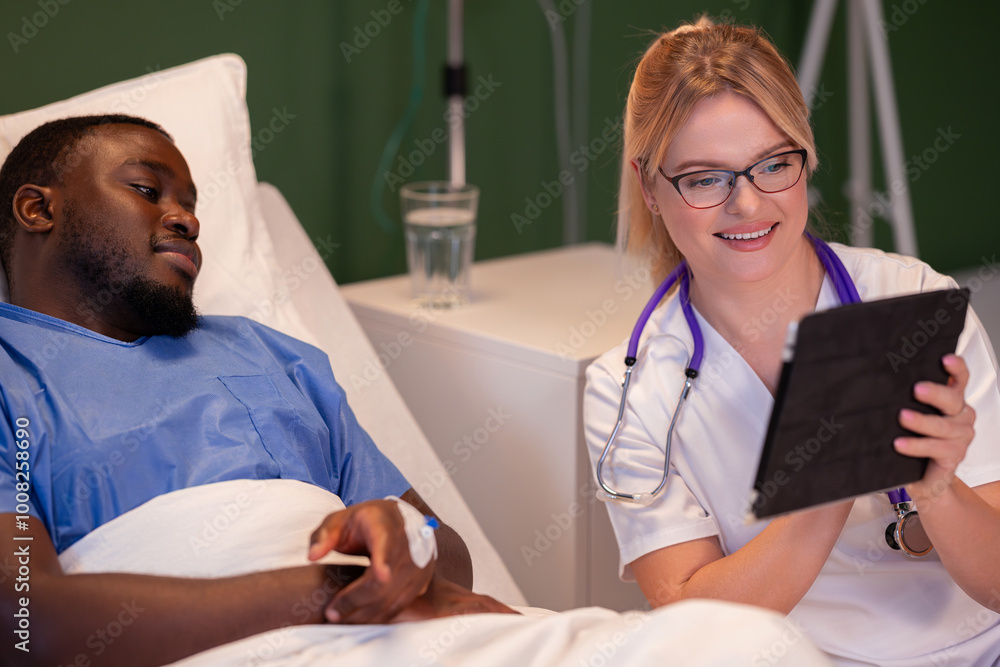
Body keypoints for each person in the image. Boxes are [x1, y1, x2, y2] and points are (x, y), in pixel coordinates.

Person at [0, 114, 512, 667]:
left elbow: (449, 550)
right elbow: (24, 621)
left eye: (191, 205)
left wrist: (411, 535)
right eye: (147, 190)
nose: (186, 220)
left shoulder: (273, 355)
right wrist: (332, 588)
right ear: (38, 209)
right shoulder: (14, 376)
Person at [583, 17, 1000, 666]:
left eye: (773, 164)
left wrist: (937, 484)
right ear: (650, 187)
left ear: (805, 157)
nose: (747, 205)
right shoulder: (628, 387)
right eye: (704, 178)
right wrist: (834, 472)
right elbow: (696, 633)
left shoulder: (912, 301)